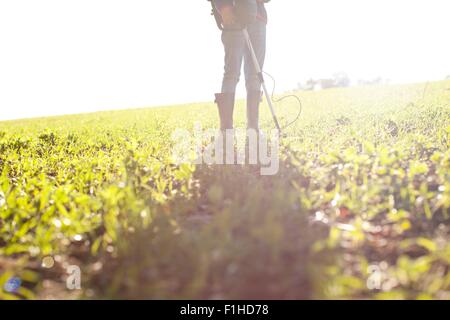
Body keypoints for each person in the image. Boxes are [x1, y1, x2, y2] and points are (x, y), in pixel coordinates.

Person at [213, 0, 269, 131]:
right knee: (231, 73)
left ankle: (253, 127)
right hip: (233, 16)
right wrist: (224, 7)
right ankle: (226, 129)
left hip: (258, 19)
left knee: (255, 74)